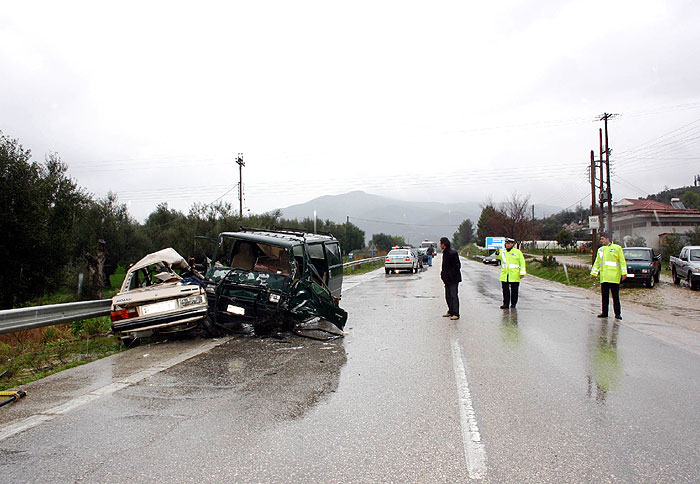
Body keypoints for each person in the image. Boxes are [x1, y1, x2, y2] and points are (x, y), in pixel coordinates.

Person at [590, 232, 627, 320]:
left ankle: (617, 314)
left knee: (615, 296)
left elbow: (622, 261)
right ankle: (604, 312)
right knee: (604, 296)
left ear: (608, 239)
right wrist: (593, 273)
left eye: (602, 239)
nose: (601, 240)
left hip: (614, 276)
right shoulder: (601, 250)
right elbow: (597, 262)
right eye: (601, 239)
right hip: (604, 277)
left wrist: (624, 273)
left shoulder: (617, 248)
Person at [496, 237, 526, 309]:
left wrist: (522, 273)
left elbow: (522, 263)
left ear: (512, 244)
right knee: (505, 290)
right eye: (506, 244)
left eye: (509, 244)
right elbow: (498, 257)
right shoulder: (503, 252)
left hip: (514, 275)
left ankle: (513, 303)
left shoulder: (517, 252)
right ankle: (506, 304)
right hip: (505, 274)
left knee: (514, 290)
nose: (507, 245)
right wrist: (497, 252)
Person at [440, 237, 461, 320]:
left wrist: (451, 275)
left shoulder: (452, 252)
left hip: (453, 279)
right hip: (447, 279)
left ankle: (456, 313)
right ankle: (450, 311)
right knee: (448, 296)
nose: (440, 245)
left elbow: (457, 266)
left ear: (444, 244)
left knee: (453, 295)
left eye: (441, 243)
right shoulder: (445, 252)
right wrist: (443, 275)